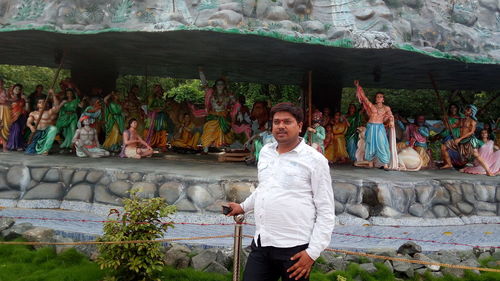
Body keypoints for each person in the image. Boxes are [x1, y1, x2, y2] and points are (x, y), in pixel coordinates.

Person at [226, 102, 335, 281]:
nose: (281, 126)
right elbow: (265, 189)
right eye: (276, 122)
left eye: (287, 122)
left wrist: (312, 253)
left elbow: (326, 210)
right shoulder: (267, 152)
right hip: (262, 243)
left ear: (299, 126)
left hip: (295, 250)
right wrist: (243, 207)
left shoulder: (315, 160)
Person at [441, 105, 495, 176]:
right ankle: (449, 164)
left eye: (468, 110)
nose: (465, 111)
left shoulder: (473, 121)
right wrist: (446, 120)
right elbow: (451, 127)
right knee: (443, 147)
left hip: (470, 140)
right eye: (466, 109)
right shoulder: (461, 120)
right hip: (460, 140)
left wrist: (460, 138)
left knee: (476, 155)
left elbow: (471, 132)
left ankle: (488, 171)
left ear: (472, 112)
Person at [354, 80, 395, 169]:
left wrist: (391, 121)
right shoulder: (372, 106)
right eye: (377, 97)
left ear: (383, 99)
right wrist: (358, 87)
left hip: (380, 127)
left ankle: (385, 164)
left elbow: (391, 116)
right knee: (370, 144)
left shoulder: (386, 108)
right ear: (376, 99)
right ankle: (370, 163)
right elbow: (364, 98)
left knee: (382, 143)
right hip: (371, 126)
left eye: (381, 97)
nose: (379, 98)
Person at [199, 69, 235, 153]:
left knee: (226, 132)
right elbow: (205, 85)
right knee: (208, 129)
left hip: (224, 116)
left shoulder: (228, 95)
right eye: (218, 84)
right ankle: (206, 147)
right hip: (213, 115)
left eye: (222, 84)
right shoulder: (211, 94)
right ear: (215, 85)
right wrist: (201, 72)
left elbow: (235, 104)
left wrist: (239, 113)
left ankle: (226, 146)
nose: (220, 86)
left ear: (224, 86)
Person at [26, 90, 66, 155]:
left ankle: (46, 150)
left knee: (53, 128)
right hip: (38, 132)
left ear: (47, 104)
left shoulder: (49, 112)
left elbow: (56, 107)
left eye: (44, 102)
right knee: (30, 149)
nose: (42, 103)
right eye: (40, 102)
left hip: (47, 132)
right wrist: (31, 127)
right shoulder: (33, 113)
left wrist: (53, 94)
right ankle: (38, 149)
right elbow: (28, 123)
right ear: (37, 104)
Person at [7, 84, 28, 151]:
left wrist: (26, 100)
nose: (17, 90)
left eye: (19, 89)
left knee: (20, 131)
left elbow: (27, 109)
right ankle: (12, 145)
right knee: (16, 129)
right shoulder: (9, 97)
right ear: (12, 89)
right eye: (16, 89)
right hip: (12, 116)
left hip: (21, 117)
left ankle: (18, 145)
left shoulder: (22, 99)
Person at [0, 78, 11, 152]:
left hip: (5, 109)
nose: (0, 84)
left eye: (1, 83)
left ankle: (4, 146)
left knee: (5, 127)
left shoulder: (6, 91)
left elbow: (9, 100)